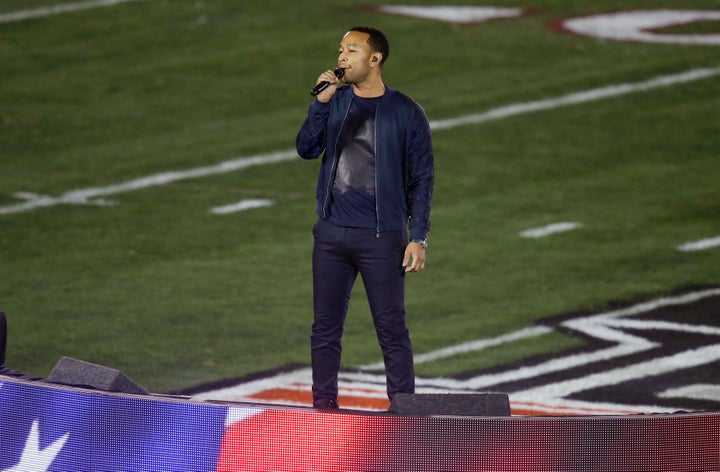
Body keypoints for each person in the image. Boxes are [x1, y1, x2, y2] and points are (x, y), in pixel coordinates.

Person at [296, 26, 434, 409]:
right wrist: (320, 105)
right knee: (324, 329)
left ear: (375, 59)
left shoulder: (406, 112)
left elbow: (422, 177)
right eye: (340, 49)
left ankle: (404, 413)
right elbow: (306, 149)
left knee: (391, 329)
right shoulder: (334, 102)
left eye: (352, 50)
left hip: (381, 238)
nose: (341, 57)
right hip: (331, 235)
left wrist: (418, 236)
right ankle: (324, 411)